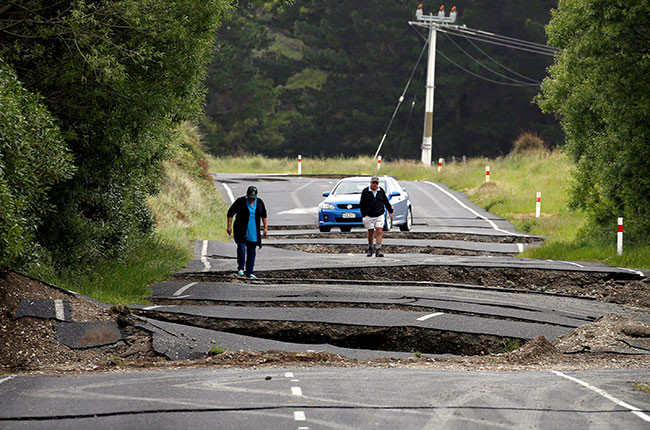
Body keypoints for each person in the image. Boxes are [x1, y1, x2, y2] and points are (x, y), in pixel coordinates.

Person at [226, 185, 268, 278]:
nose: (252, 200)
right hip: (241, 229)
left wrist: (265, 228)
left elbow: (264, 215)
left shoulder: (260, 202)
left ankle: (250, 271)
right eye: (250, 198)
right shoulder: (240, 201)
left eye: (253, 198)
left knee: (251, 251)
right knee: (241, 247)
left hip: (253, 230)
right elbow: (230, 213)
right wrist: (229, 226)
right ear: (247, 195)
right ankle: (241, 268)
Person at [360, 175, 393, 257]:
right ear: (370, 183)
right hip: (368, 215)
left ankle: (378, 249)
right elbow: (362, 204)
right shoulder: (365, 191)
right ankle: (370, 248)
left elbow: (386, 202)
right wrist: (363, 214)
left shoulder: (381, 191)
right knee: (370, 232)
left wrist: (390, 211)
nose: (375, 184)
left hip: (379, 214)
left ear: (378, 183)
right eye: (373, 182)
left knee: (379, 230)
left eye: (376, 183)